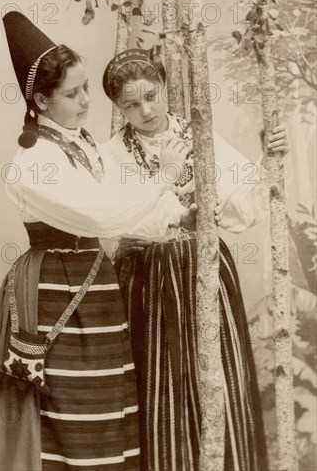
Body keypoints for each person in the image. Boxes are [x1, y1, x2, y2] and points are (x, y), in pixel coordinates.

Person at [0, 14, 204, 471]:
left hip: (95, 283)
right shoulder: (35, 158)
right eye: (72, 93)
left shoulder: (80, 143)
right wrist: (164, 177)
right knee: (66, 412)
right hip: (53, 291)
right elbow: (100, 213)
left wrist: (181, 214)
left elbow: (123, 209)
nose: (86, 101)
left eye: (85, 89)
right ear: (40, 99)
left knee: (104, 408)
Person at [101, 48, 289, 471]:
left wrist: (269, 159)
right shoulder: (111, 154)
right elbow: (121, 220)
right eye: (131, 104)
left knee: (220, 376)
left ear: (166, 88)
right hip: (146, 279)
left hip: (206, 268)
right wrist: (177, 209)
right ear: (118, 107)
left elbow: (242, 202)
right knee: (160, 382)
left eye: (152, 95)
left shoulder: (197, 135)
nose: (145, 110)